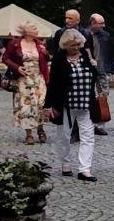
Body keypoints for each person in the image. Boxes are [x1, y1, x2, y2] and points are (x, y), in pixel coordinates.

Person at [43, 29, 102, 181]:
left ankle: (84, 169)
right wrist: (48, 105)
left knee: (88, 137)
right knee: (64, 136)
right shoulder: (59, 59)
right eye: (72, 45)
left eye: (78, 44)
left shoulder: (86, 57)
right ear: (65, 45)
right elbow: (53, 84)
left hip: (86, 103)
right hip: (65, 105)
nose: (76, 47)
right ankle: (65, 163)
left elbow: (94, 76)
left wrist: (95, 67)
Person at [3, 23, 50, 145]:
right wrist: (17, 68)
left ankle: (40, 129)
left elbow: (46, 59)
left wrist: (45, 54)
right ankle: (29, 134)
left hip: (39, 78)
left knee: (41, 104)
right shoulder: (15, 43)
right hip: (24, 79)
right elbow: (6, 58)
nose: (37, 30)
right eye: (34, 28)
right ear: (27, 31)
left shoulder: (40, 44)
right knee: (26, 106)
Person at [87, 14, 114, 135]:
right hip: (88, 69)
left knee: (103, 95)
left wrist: (113, 71)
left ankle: (99, 124)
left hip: (102, 69)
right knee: (89, 96)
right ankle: (87, 123)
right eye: (101, 23)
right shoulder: (84, 34)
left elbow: (111, 53)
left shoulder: (106, 35)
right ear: (93, 23)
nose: (104, 25)